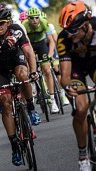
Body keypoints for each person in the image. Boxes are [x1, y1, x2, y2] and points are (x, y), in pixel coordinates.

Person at [0, 4, 41, 166]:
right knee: (5, 103)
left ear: (8, 22)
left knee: (23, 76)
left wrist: (33, 71)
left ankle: (31, 107)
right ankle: (15, 147)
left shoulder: (17, 30)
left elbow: (29, 52)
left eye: (2, 22)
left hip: (17, 61)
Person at [58, 1, 96, 170]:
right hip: (76, 68)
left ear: (86, 25)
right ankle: (83, 156)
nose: (70, 35)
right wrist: (68, 87)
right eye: (67, 31)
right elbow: (65, 76)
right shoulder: (64, 39)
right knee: (81, 109)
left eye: (73, 31)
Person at [22, 7, 60, 114]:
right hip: (30, 45)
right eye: (31, 18)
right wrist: (31, 57)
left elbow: (51, 41)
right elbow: (27, 44)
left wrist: (49, 55)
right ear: (28, 19)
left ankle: (53, 102)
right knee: (29, 64)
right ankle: (33, 84)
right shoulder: (24, 25)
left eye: (36, 18)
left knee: (47, 70)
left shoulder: (44, 22)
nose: (34, 20)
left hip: (41, 44)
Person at [41, 12, 70, 106]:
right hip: (42, 49)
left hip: (51, 48)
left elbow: (56, 41)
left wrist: (55, 55)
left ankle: (62, 94)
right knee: (44, 70)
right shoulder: (34, 30)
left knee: (57, 70)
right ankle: (47, 92)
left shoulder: (50, 26)